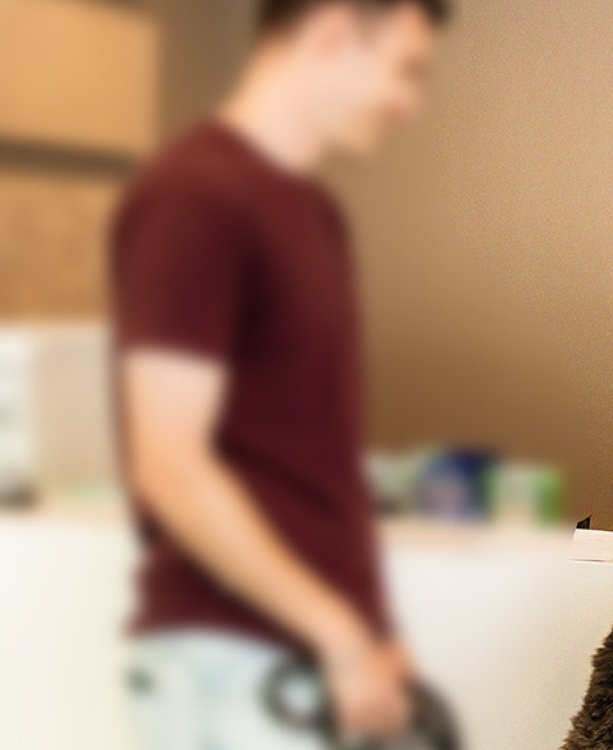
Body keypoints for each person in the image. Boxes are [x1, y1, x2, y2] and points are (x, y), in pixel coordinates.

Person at [110, 0, 447, 747]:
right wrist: (341, 635)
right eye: (404, 71)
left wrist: (371, 635)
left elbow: (310, 460)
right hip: (229, 665)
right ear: (331, 31)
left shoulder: (312, 214)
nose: (408, 105)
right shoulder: (194, 197)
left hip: (299, 664)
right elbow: (170, 464)